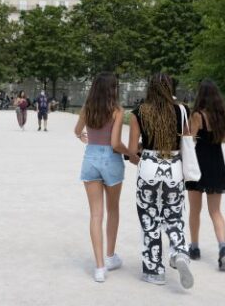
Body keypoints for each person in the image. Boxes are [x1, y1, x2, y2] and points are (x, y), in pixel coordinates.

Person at [127, 73, 193, 289]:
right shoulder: (182, 111)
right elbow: (187, 142)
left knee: (149, 219)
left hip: (148, 166)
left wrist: (142, 159)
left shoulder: (139, 112)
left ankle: (154, 269)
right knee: (174, 215)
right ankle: (179, 252)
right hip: (173, 167)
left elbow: (130, 150)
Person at [74, 72, 135, 283]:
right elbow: (116, 143)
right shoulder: (117, 110)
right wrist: (132, 154)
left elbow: (76, 131)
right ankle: (110, 256)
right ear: (112, 89)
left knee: (95, 215)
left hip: (90, 158)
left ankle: (99, 267)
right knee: (113, 209)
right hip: (111, 161)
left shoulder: (86, 108)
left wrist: (84, 137)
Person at [185, 79, 225, 271]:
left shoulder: (198, 115)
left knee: (194, 210)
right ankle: (223, 248)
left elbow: (188, 139)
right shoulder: (220, 117)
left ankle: (194, 247)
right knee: (216, 211)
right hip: (217, 163)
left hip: (198, 164)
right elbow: (222, 138)